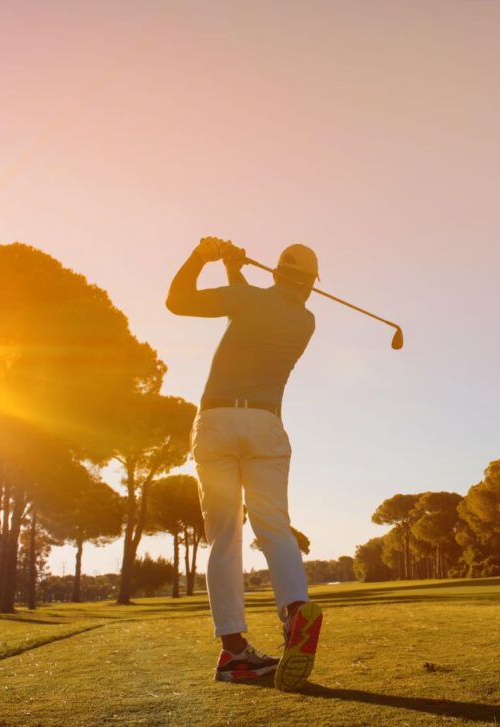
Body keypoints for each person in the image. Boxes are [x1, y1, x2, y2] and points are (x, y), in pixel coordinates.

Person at [166, 236, 323, 690]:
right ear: (310, 285)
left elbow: (178, 302)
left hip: (215, 421)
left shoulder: (249, 297)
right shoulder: (304, 320)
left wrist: (203, 256)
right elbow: (256, 306)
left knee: (224, 537)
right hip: (265, 424)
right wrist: (236, 271)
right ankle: (295, 612)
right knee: (274, 524)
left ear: (276, 273)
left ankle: (234, 652)